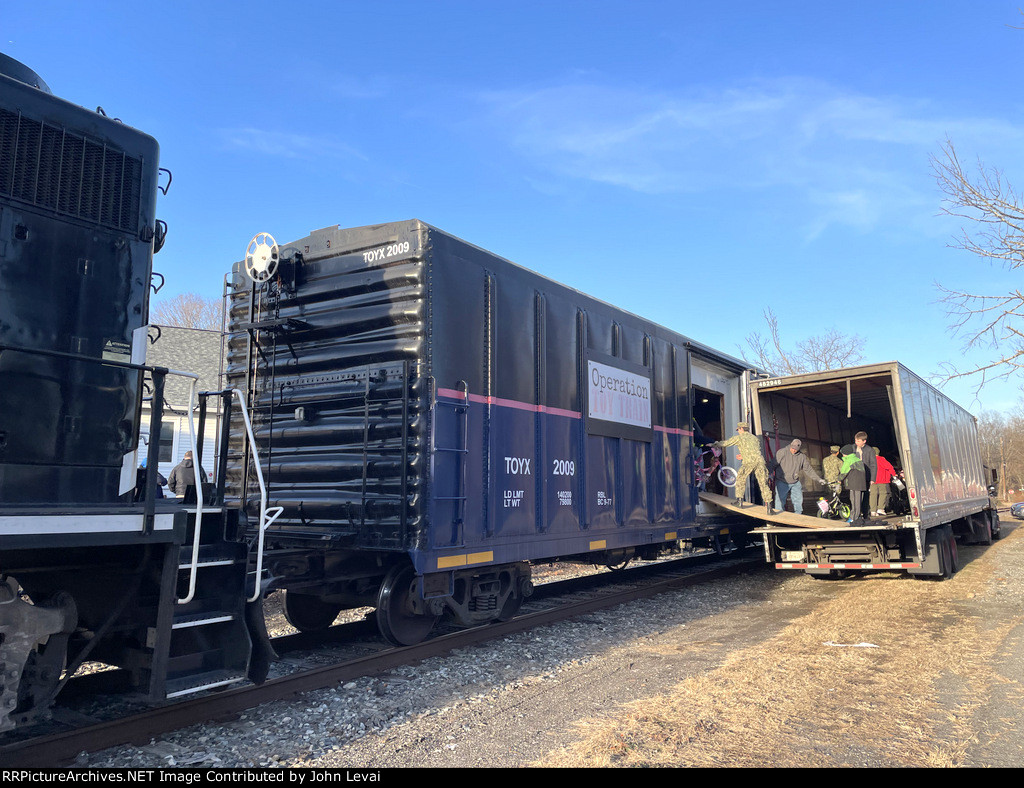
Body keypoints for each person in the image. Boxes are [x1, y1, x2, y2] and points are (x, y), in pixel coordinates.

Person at [711, 422, 772, 511]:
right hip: (760, 461)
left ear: (741, 429)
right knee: (763, 483)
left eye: (738, 429)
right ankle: (769, 507)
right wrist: (743, 455)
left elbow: (726, 443)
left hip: (749, 462)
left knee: (740, 479)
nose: (738, 431)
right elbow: (755, 451)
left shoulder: (740, 437)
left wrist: (714, 444)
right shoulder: (755, 438)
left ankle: (739, 501)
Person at [771, 439, 826, 514]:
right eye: (792, 448)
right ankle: (779, 518)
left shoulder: (802, 457)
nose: (793, 450)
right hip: (782, 481)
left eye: (796, 449)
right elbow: (772, 464)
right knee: (780, 501)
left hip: (795, 482)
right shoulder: (782, 452)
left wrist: (819, 479)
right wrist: (767, 474)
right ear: (790, 445)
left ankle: (798, 516)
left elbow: (808, 470)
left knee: (798, 501)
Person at [840, 432, 877, 522]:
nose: (856, 442)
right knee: (854, 498)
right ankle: (855, 515)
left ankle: (865, 515)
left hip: (866, 476)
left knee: (864, 497)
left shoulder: (870, 450)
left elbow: (873, 465)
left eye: (858, 441)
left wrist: (872, 478)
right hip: (854, 477)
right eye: (855, 440)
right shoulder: (852, 448)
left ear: (864, 441)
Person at [871, 451, 897, 516]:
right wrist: (894, 474)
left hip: (872, 480)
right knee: (883, 493)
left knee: (873, 495)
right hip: (881, 479)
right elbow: (889, 467)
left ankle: (873, 511)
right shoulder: (881, 459)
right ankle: (880, 508)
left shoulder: (869, 460)